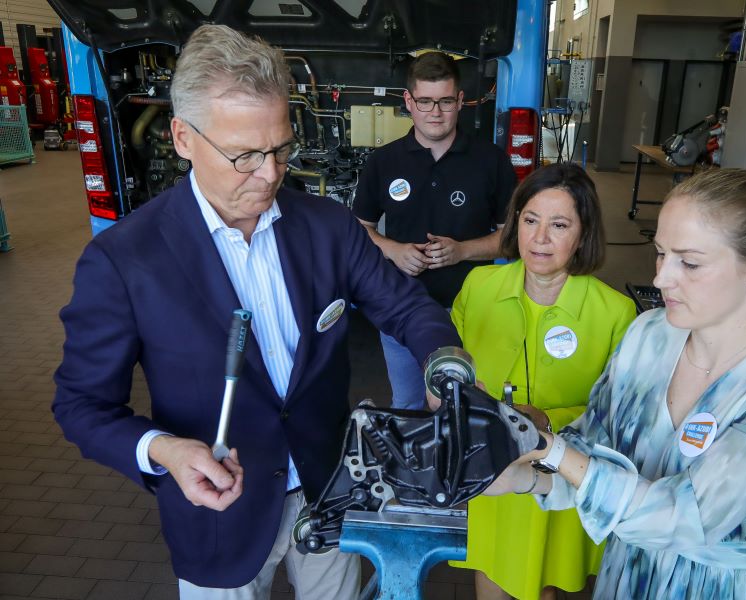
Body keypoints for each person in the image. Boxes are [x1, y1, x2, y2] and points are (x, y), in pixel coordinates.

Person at [52, 25, 460, 599]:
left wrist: (445, 361)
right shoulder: (124, 260)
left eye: (280, 149)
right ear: (183, 138)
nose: (269, 174)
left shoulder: (327, 227)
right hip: (219, 519)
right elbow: (81, 405)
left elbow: (406, 305)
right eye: (244, 155)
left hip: (326, 497)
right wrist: (163, 450)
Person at [486, 168, 746, 599]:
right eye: (661, 254)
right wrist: (521, 475)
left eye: (689, 262)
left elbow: (685, 518)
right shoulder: (650, 335)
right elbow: (592, 449)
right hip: (626, 577)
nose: (660, 278)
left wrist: (550, 449)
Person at [447, 163, 636, 600]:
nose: (540, 238)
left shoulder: (615, 313)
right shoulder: (480, 286)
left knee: (547, 586)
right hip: (491, 468)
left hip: (564, 473)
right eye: (530, 220)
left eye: (559, 224)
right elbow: (451, 368)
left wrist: (547, 419)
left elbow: (618, 415)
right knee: (490, 571)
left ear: (583, 233)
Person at [353, 51, 517, 410]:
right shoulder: (384, 162)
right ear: (408, 102)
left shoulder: (491, 162)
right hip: (401, 306)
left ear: (460, 101)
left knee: (474, 408)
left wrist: (462, 250)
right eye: (425, 101)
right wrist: (393, 250)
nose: (435, 112)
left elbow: (512, 239)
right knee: (409, 405)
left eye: (445, 101)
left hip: (474, 311)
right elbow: (359, 230)